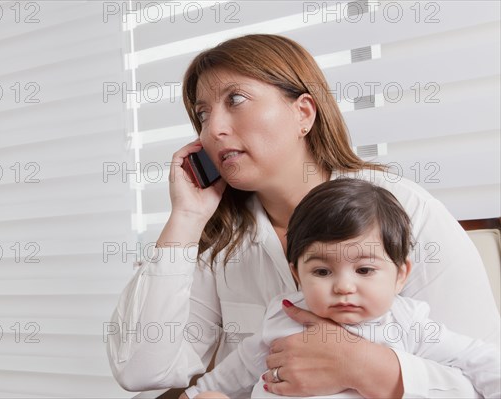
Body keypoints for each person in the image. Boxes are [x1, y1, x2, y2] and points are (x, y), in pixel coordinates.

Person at [107, 34, 500, 398]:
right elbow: (141, 372)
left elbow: (485, 380)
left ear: (304, 113)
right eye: (203, 115)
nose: (214, 129)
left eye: (236, 100)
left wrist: (367, 368)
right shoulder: (219, 240)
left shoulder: (407, 210)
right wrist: (186, 219)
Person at [186, 178, 500, 399]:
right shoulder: (282, 317)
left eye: (364, 270)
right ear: (297, 274)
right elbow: (235, 372)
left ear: (400, 274)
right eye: (321, 271)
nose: (344, 286)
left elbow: (480, 360)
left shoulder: (407, 323)